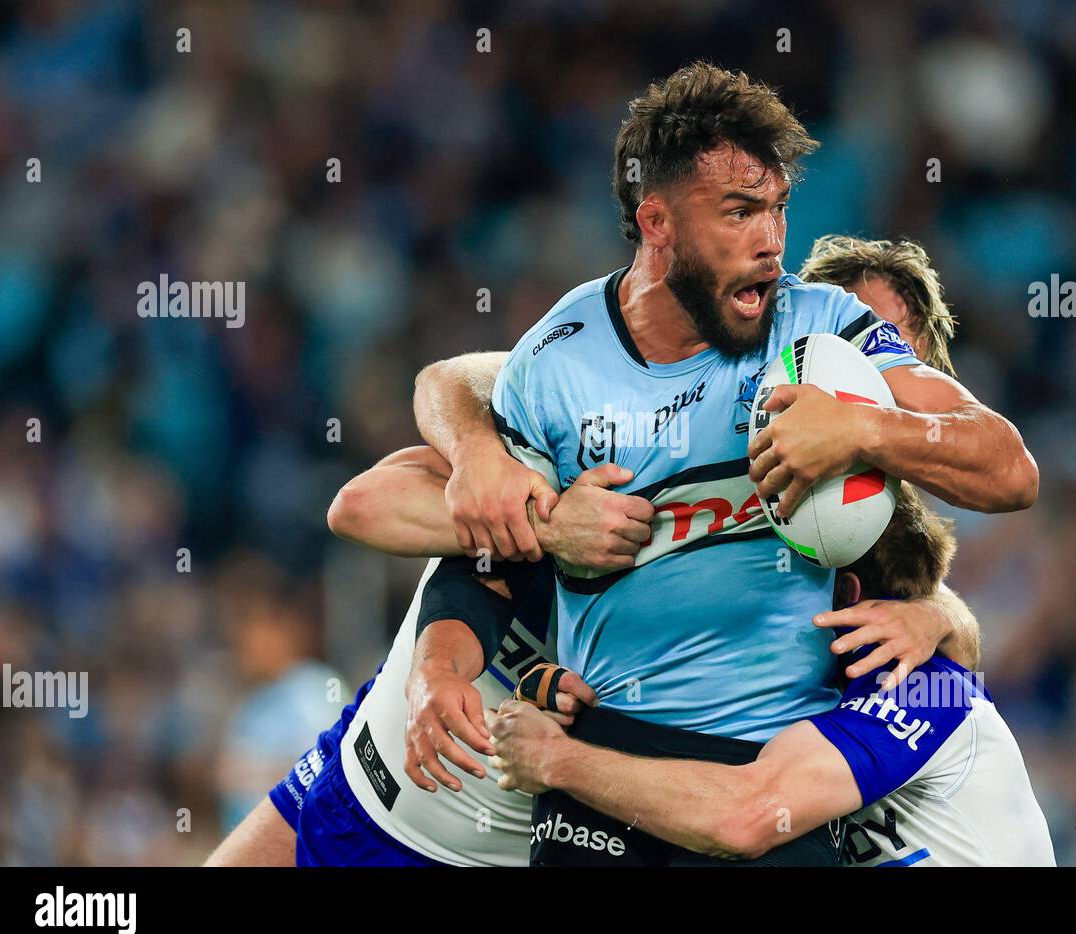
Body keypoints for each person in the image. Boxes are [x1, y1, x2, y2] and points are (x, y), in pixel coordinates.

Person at [412, 62, 1037, 863]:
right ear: (659, 222)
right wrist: (439, 673)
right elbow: (484, 562)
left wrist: (864, 430)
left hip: (780, 774)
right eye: (739, 212)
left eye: (777, 210)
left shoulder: (824, 330)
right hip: (602, 772)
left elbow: (1009, 468)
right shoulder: (556, 364)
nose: (772, 242)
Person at [206, 448, 978, 866]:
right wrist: (545, 526)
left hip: (471, 850)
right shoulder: (594, 448)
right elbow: (363, 506)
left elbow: (960, 682)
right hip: (356, 775)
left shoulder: (816, 625)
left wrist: (936, 615)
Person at [487, 485, 1055, 867]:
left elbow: (744, 817)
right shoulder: (851, 675)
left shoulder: (920, 690)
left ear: (846, 595)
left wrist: (558, 760)